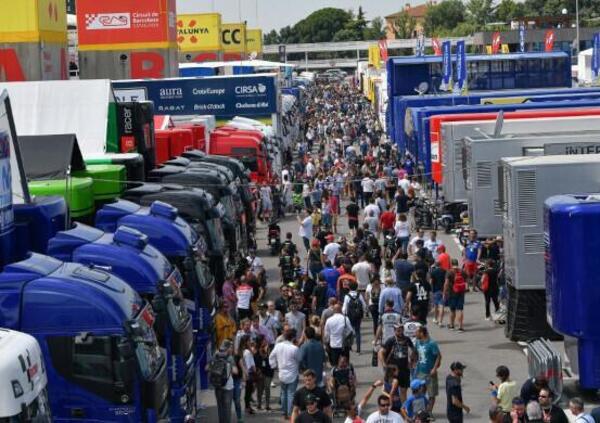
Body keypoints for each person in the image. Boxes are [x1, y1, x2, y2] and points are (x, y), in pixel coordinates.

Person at [379, 324, 415, 404]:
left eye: (400, 330)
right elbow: (381, 352)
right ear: (394, 331)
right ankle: (389, 407)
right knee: (390, 391)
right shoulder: (391, 340)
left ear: (403, 330)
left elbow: (413, 351)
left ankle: (404, 409)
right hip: (392, 370)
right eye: (397, 330)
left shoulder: (407, 339)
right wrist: (384, 364)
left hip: (404, 369)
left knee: (403, 390)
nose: (399, 332)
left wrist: (412, 362)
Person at [269, 329, 300, 419]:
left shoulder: (278, 346)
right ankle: (290, 413)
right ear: (293, 337)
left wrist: (274, 366)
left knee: (283, 393)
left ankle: (284, 412)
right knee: (290, 394)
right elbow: (299, 359)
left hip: (282, 373)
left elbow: (271, 356)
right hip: (292, 374)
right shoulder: (294, 348)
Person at [414, 327, 441, 412]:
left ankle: (429, 413)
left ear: (422, 333)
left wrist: (434, 368)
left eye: (417, 332)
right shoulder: (417, 342)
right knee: (420, 393)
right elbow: (415, 353)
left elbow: (438, 356)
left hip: (430, 373)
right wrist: (413, 362)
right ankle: (420, 412)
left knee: (431, 394)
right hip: (420, 372)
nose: (415, 334)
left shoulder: (432, 343)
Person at [211, 340, 237, 423]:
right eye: (231, 347)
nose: (232, 349)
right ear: (228, 348)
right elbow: (235, 371)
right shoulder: (230, 358)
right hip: (228, 387)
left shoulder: (215, 355)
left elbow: (207, 368)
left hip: (218, 385)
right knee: (227, 409)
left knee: (220, 407)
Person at [342, 281, 367, 353]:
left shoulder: (347, 296)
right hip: (358, 316)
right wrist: (364, 313)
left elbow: (344, 307)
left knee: (349, 331)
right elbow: (364, 305)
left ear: (349, 287)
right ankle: (358, 349)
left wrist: (344, 315)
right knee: (358, 331)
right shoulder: (359, 295)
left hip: (350, 316)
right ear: (357, 287)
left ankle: (349, 347)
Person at [444, 259, 467, 332]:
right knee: (460, 309)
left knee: (452, 310)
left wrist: (444, 293)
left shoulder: (449, 272)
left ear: (451, 264)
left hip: (452, 292)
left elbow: (446, 283)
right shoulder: (462, 271)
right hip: (461, 292)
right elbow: (466, 280)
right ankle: (460, 327)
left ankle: (452, 325)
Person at [254, 336, 274, 411]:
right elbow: (256, 362)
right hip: (260, 373)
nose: (265, 341)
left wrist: (267, 353)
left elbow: (271, 360)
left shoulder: (269, 349)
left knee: (267, 388)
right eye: (264, 340)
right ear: (260, 342)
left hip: (268, 372)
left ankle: (267, 405)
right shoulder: (256, 351)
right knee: (259, 389)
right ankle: (259, 404)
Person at [429, 258, 447, 326]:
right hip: (443, 290)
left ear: (435, 265)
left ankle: (435, 318)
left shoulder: (433, 272)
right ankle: (440, 321)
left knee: (436, 306)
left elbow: (431, 282)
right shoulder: (444, 271)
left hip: (436, 290)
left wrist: (430, 290)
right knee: (442, 306)